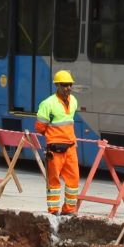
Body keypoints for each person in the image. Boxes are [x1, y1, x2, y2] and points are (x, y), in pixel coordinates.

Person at [35, 69, 81, 215]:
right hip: (55, 150)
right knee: (54, 181)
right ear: (57, 85)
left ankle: (69, 210)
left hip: (71, 148)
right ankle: (54, 211)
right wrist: (53, 138)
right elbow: (40, 127)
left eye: (69, 85)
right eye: (64, 85)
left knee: (73, 181)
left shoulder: (73, 101)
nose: (68, 88)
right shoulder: (47, 104)